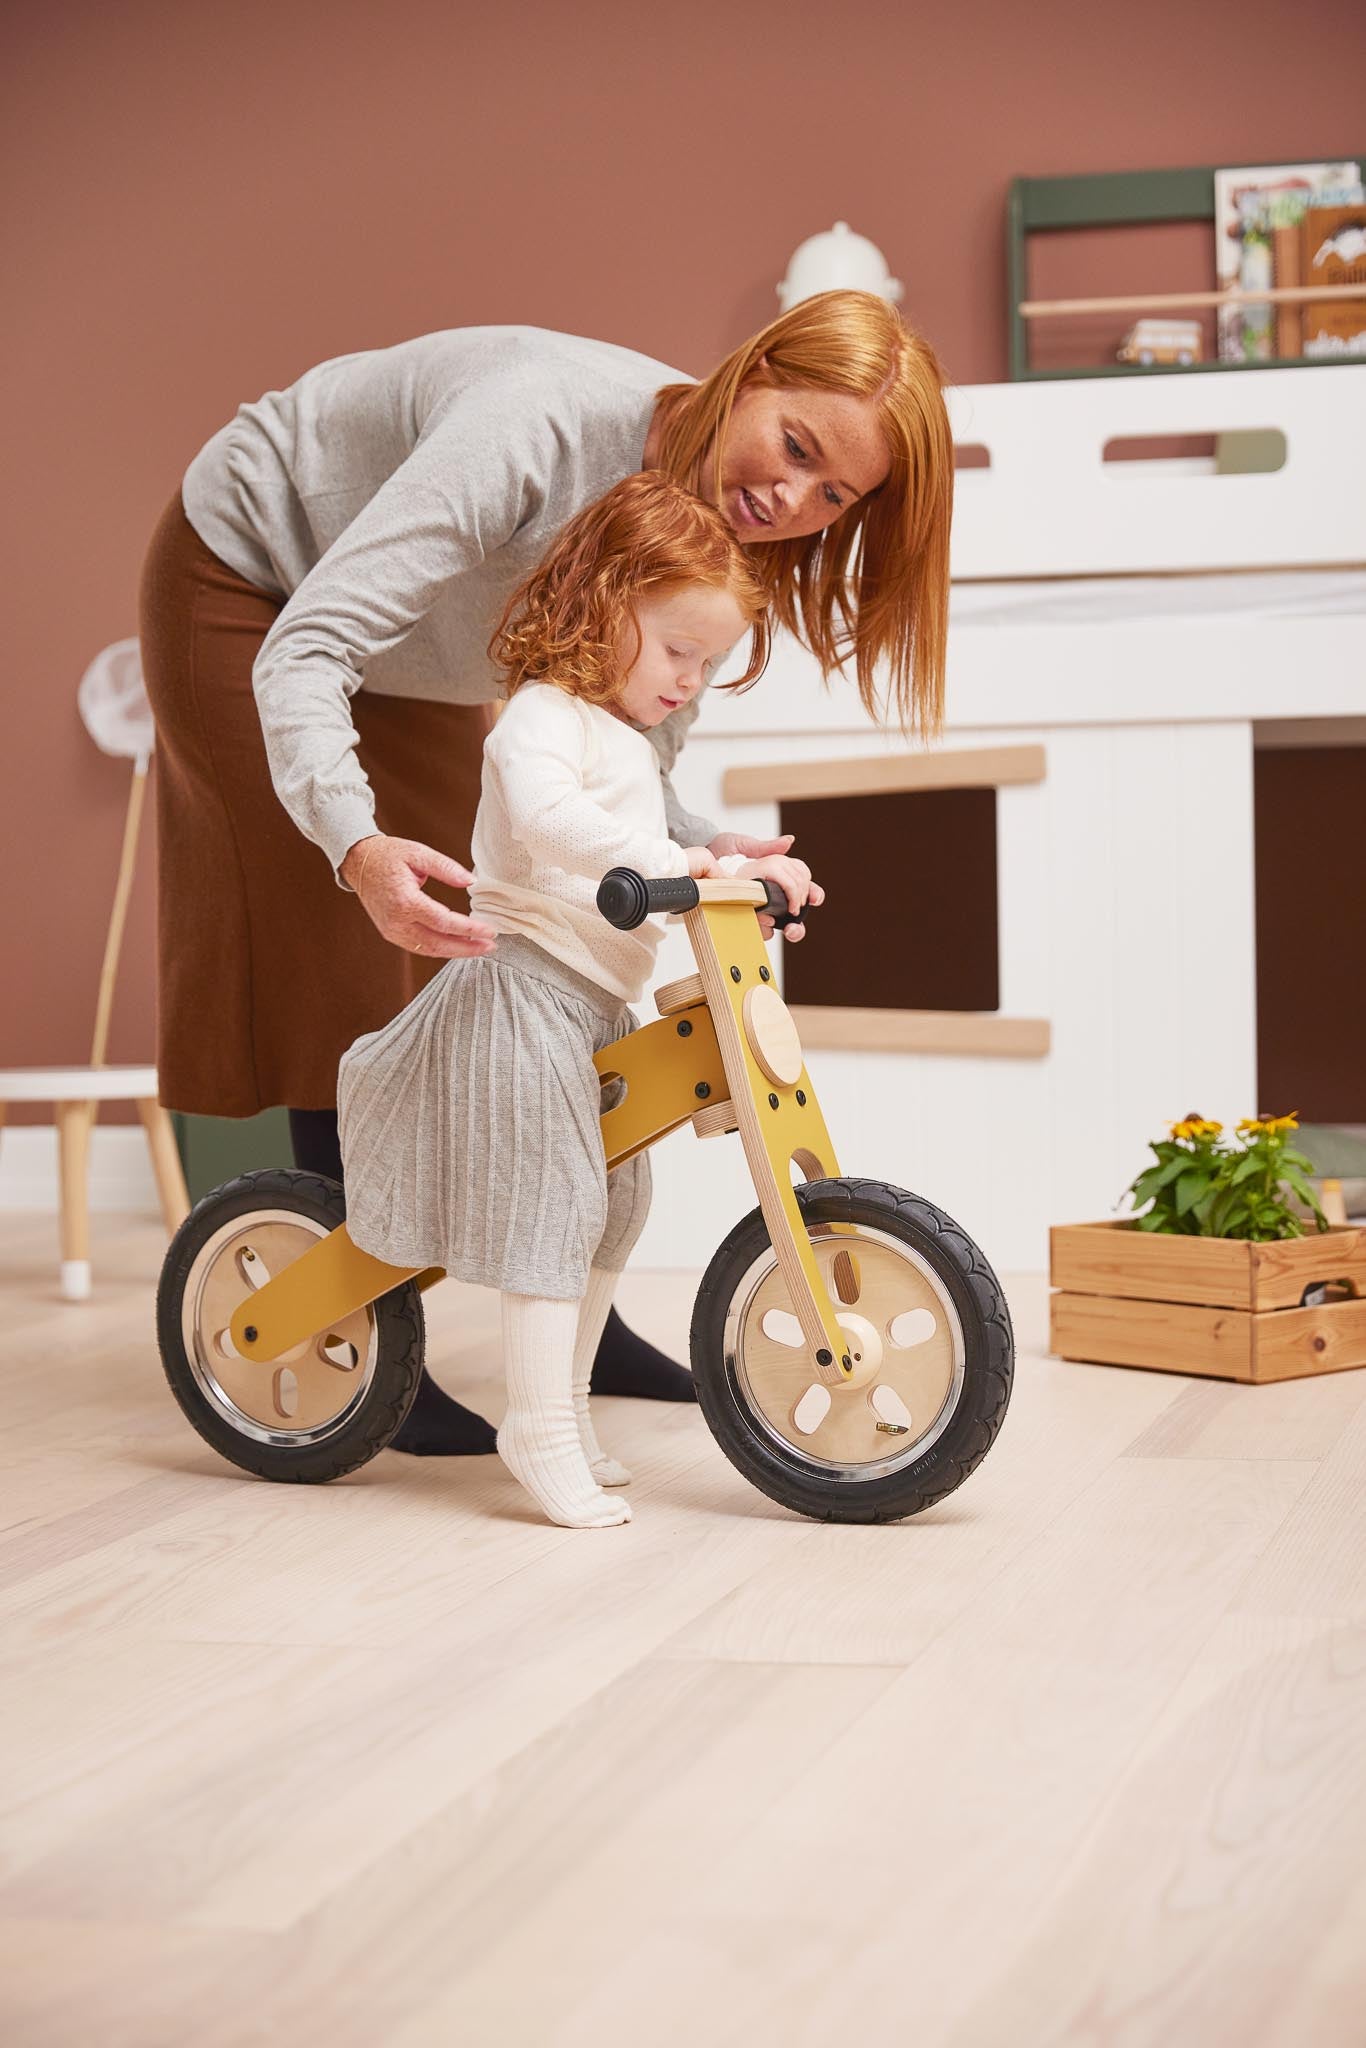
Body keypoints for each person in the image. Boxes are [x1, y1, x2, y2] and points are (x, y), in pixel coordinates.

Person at [137, 289, 953, 1455]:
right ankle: (358, 1330)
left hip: (414, 655)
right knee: (349, 949)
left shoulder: (698, 533)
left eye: (835, 495)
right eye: (795, 446)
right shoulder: (534, 426)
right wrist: (357, 847)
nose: (792, 500)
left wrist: (705, 847)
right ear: (751, 370)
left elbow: (623, 757)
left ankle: (582, 1310)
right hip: (259, 586)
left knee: (526, 944)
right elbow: (311, 644)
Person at [336, 472, 820, 1526]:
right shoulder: (537, 720)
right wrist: (675, 858)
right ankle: (537, 1426)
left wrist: (728, 855)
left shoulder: (630, 740)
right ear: (604, 602)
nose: (691, 679)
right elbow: (555, 821)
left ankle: (563, 1405)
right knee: (551, 1201)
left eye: (709, 660)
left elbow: (648, 820)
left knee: (619, 1198)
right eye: (679, 649)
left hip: (597, 998)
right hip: (520, 989)